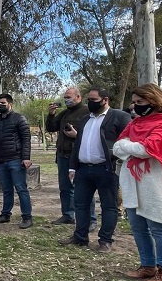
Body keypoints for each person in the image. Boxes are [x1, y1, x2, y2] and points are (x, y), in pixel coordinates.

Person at [113, 84, 162, 281]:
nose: (136, 106)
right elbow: (117, 148)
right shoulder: (135, 123)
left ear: (154, 101)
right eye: (134, 102)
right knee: (138, 227)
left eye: (140, 102)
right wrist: (132, 147)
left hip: (155, 183)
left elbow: (147, 150)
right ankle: (147, 266)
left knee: (158, 228)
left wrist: (129, 146)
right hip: (132, 182)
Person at [61, 88, 131, 252]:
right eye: (89, 100)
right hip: (83, 170)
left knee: (109, 206)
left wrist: (117, 160)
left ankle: (105, 240)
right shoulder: (86, 119)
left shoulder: (119, 117)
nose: (90, 103)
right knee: (81, 205)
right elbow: (77, 144)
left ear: (105, 99)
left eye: (94, 100)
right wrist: (72, 167)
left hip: (107, 170)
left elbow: (128, 141)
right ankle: (80, 237)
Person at [46, 87, 94, 226]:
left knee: (84, 189)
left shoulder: (88, 112)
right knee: (65, 188)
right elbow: (51, 128)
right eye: (65, 97)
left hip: (79, 157)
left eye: (69, 97)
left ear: (78, 97)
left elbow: (94, 136)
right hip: (63, 156)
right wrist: (51, 114)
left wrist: (77, 135)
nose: (66, 99)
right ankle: (68, 215)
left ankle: (90, 219)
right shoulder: (64, 113)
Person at [0, 94, 33, 228]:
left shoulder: (19, 118)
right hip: (1, 161)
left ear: (10, 104)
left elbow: (26, 138)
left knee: (21, 189)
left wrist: (26, 157)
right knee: (6, 190)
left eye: (3, 103)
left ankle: (27, 217)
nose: (0, 105)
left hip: (16, 159)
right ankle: (5, 214)